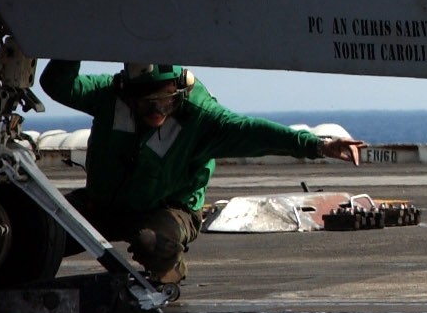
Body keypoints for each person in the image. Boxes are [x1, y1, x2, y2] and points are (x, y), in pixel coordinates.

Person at [39, 59, 364, 287]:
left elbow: (254, 132)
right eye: (148, 101)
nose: (157, 111)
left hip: (168, 208)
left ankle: (169, 269)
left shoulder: (201, 118)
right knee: (41, 234)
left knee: (153, 242)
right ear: (128, 92)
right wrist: (75, 40)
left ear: (179, 93)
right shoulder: (109, 97)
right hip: (102, 205)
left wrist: (317, 146)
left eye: (166, 101)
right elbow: (57, 84)